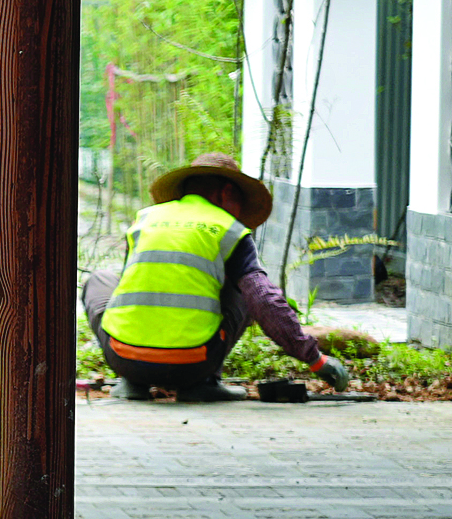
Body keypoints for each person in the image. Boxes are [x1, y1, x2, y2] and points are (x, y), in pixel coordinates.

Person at [83, 151, 352, 402]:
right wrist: (315, 359)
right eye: (240, 203)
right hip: (193, 365)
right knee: (250, 291)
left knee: (99, 279)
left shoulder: (144, 220)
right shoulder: (229, 230)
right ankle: (204, 384)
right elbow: (265, 301)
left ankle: (132, 383)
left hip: (122, 356)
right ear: (226, 193)